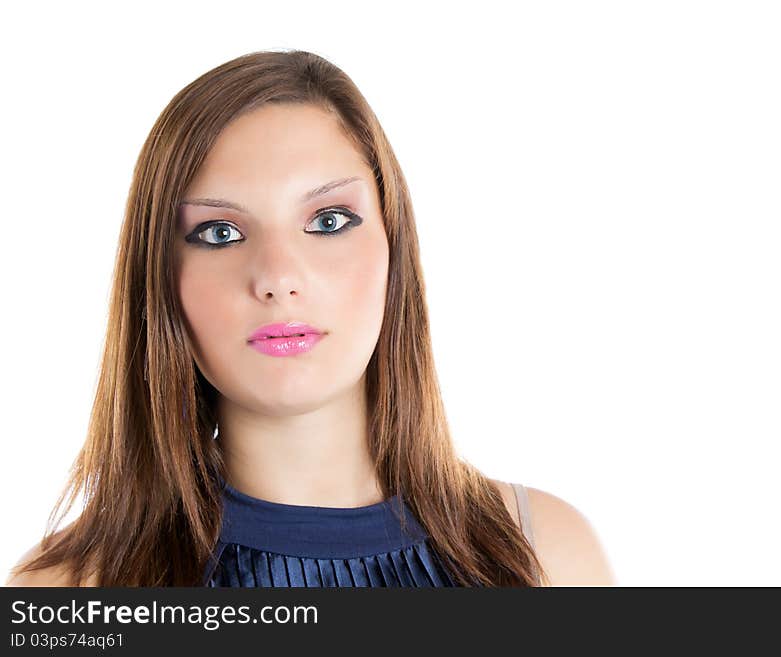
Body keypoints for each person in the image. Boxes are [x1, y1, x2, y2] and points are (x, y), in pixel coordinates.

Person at [5, 50, 614, 587]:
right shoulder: (66, 592)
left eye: (327, 221)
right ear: (160, 278)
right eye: (220, 233)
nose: (277, 277)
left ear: (393, 247)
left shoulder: (545, 558)